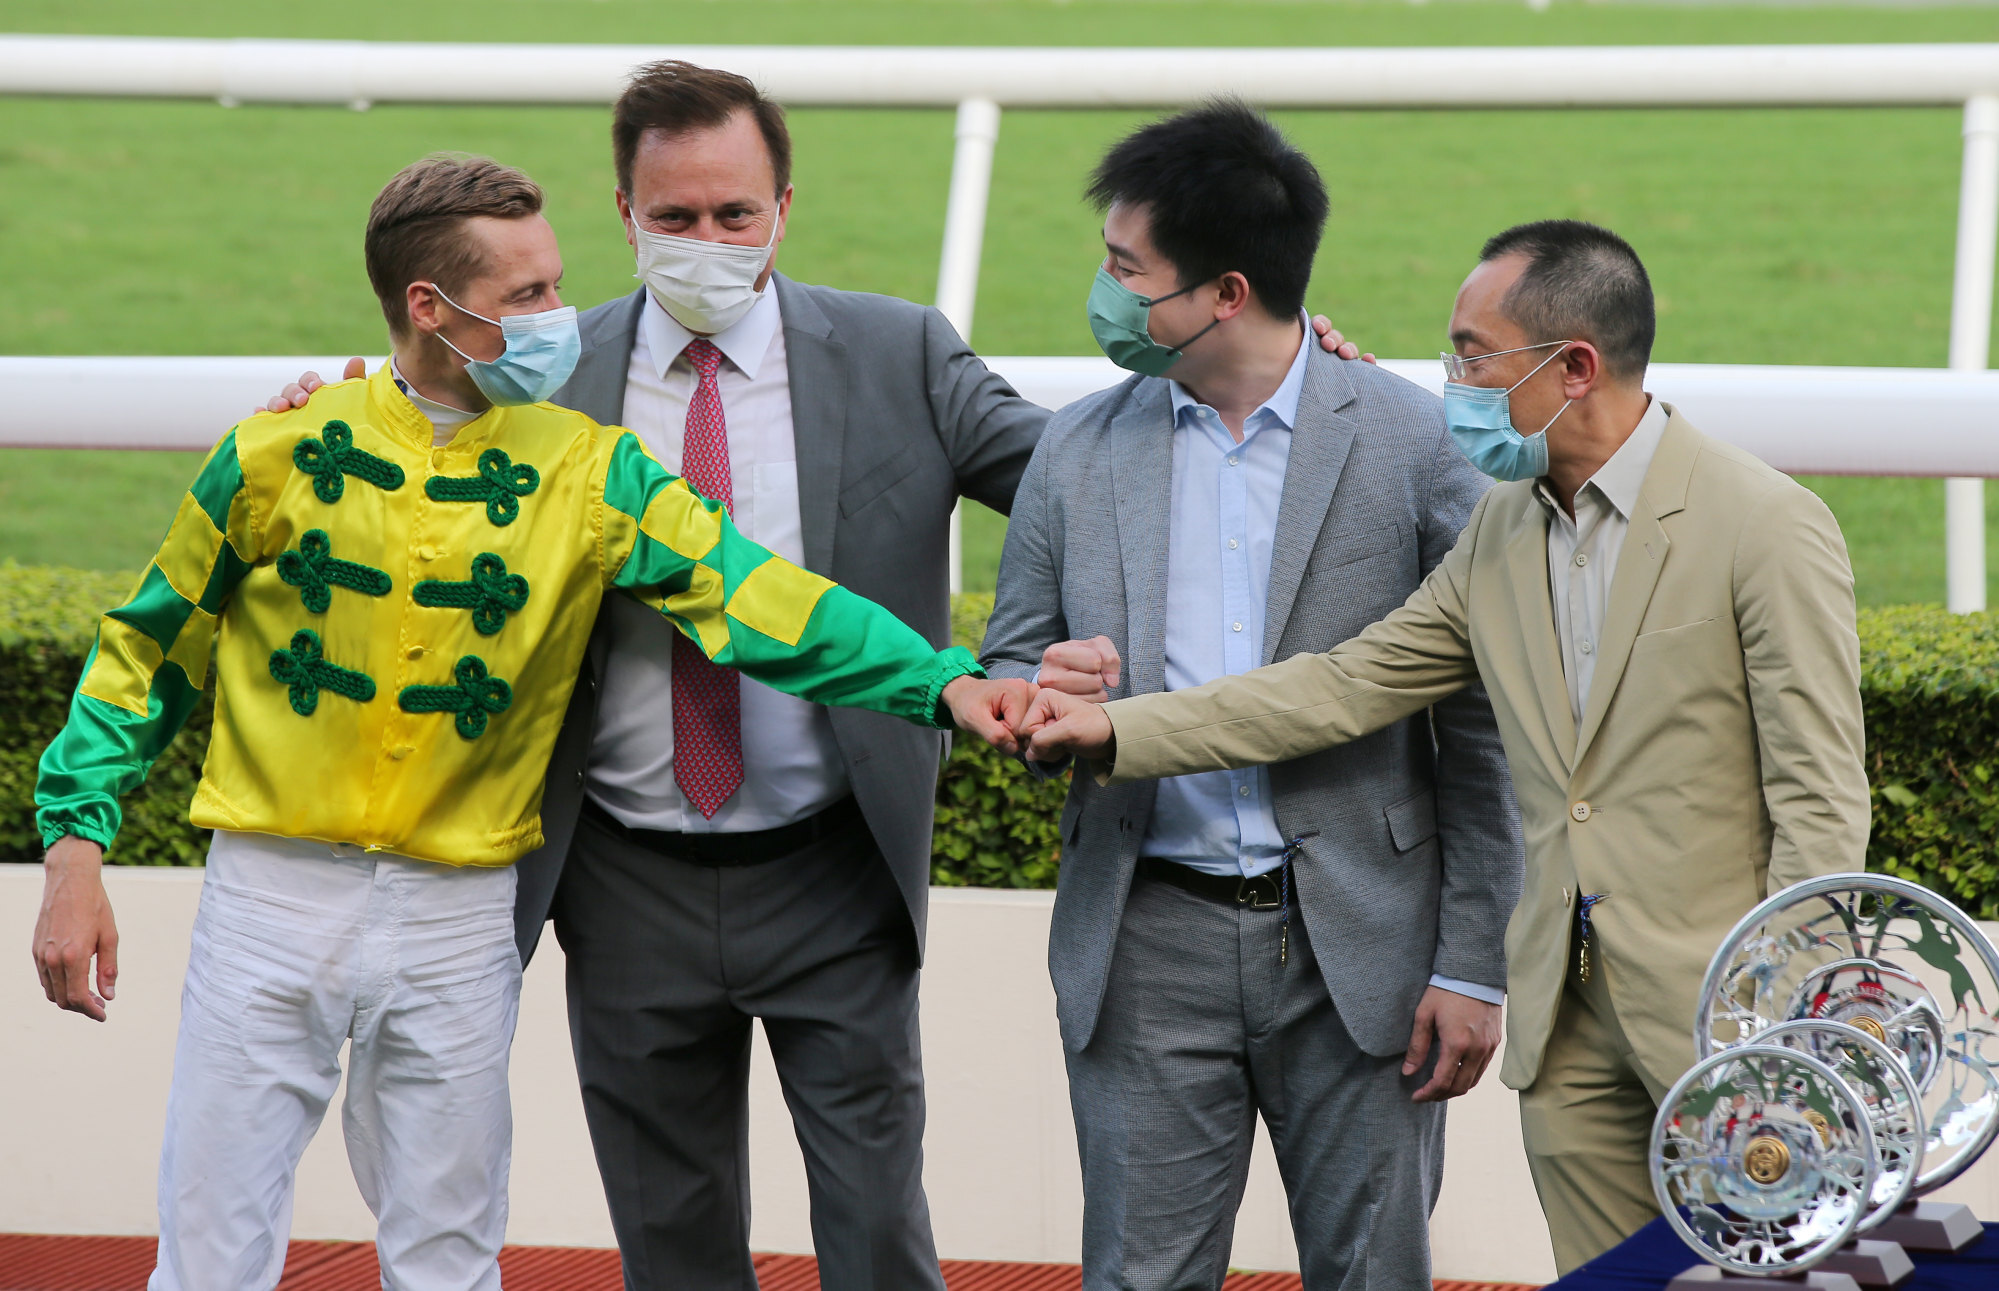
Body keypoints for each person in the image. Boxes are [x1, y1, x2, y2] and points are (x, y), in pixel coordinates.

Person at [268, 62, 1362, 1291]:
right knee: (670, 1247)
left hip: (836, 865)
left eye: (735, 214)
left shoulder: (899, 352)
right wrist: (312, 419)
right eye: (673, 218)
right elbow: (399, 473)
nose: (707, 240)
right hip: (621, 873)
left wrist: (1277, 369)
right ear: (622, 214)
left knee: (878, 1231)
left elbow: (1084, 476)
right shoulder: (540, 371)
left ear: (784, 207)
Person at [29, 153, 1033, 1291]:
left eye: (557, 284)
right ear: (429, 307)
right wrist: (75, 848)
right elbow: (141, 653)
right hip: (269, 896)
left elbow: (767, 602)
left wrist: (941, 682)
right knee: (209, 1250)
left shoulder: (595, 471)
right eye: (532, 297)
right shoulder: (274, 450)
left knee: (451, 1257)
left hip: (463, 914)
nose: (568, 317)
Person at [1018, 218, 1871, 1274]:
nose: (1450, 380)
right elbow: (1345, 683)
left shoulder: (1765, 522)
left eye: (1472, 355)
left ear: (1573, 367)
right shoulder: (1502, 528)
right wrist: (1119, 728)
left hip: (1728, 1024)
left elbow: (1820, 802)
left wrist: (1787, 1026)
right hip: (1567, 1028)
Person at [979, 102, 1522, 1291]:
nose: (1104, 290)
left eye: (1128, 269)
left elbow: (1484, 722)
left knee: (1373, 1271)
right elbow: (1004, 664)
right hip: (1143, 942)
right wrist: (1028, 696)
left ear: (1226, 292)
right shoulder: (1075, 449)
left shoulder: (1410, 445)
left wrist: (1474, 962)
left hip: (1363, 952)